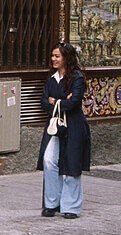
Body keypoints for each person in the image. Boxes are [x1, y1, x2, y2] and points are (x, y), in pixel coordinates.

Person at [38, 43, 91, 219]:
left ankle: (71, 206)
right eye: (52, 56)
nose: (53, 59)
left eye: (57, 56)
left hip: (74, 125)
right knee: (49, 161)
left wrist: (56, 101)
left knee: (72, 163)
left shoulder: (77, 78)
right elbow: (44, 102)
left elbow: (74, 101)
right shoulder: (52, 79)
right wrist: (59, 101)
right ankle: (52, 202)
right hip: (55, 125)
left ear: (66, 58)